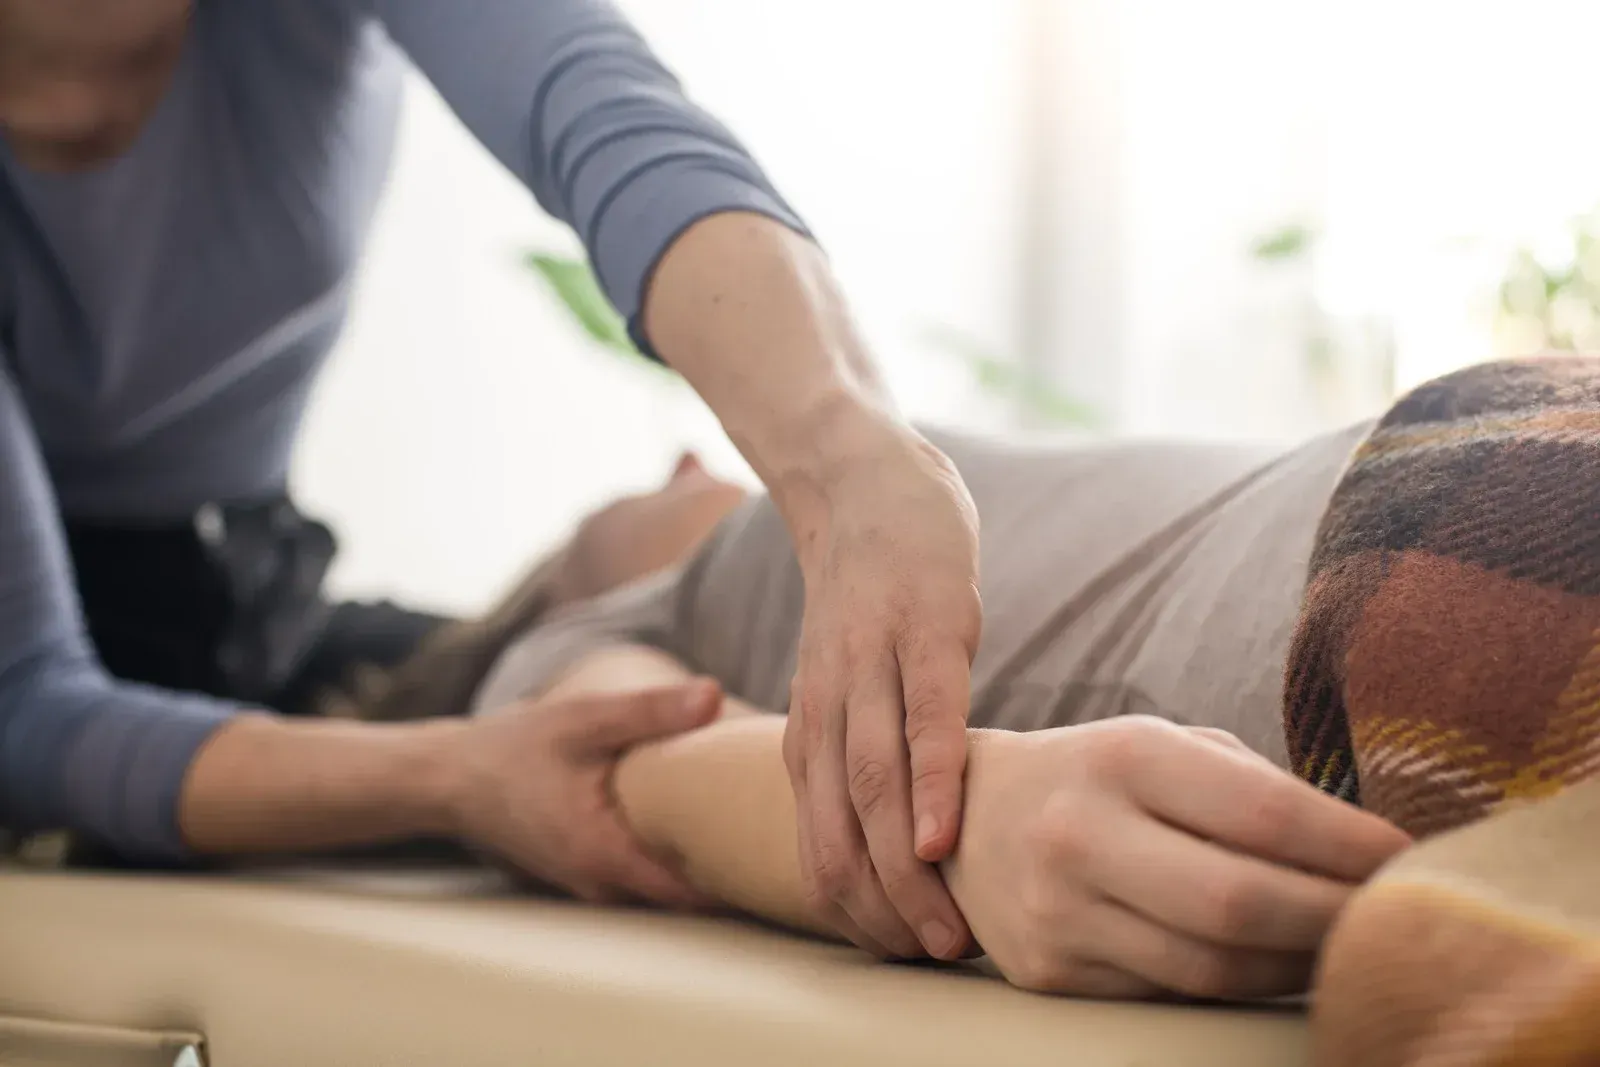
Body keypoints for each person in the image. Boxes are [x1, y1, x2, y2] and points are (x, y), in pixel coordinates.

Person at [0, 0, 986, 958]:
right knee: (628, 720)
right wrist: (453, 778)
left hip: (254, 610)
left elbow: (603, 111)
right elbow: (28, 707)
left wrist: (848, 453)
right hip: (53, 696)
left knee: (679, 549)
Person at [337, 421, 1412, 995]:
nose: (691, 460)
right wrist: (961, 826)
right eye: (619, 502)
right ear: (554, 589)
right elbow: (637, 772)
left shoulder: (848, 503)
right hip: (1376, 602)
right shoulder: (565, 647)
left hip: (1409, 454)